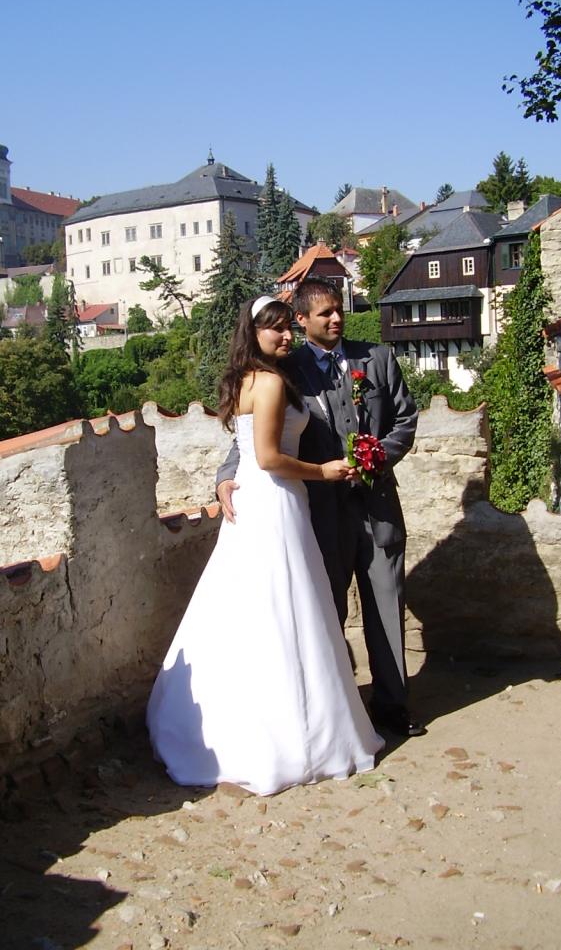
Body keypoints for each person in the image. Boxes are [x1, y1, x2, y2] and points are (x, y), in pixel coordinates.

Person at [146, 295, 384, 796]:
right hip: (275, 498)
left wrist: (230, 479)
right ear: (254, 333)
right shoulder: (272, 382)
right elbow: (269, 457)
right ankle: (293, 734)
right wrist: (323, 471)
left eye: (288, 328)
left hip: (261, 500)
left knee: (256, 607)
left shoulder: (247, 379)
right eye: (275, 329)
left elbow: (246, 447)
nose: (286, 336)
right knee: (285, 608)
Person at [217, 279, 423, 737]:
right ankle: (339, 708)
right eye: (325, 313)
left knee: (387, 603)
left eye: (339, 310)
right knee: (325, 612)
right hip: (318, 514)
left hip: (378, 505)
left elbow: (405, 419)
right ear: (303, 320)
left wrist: (377, 456)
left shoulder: (378, 358)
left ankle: (392, 705)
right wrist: (226, 475)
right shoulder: (284, 370)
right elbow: (256, 434)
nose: (336, 318)